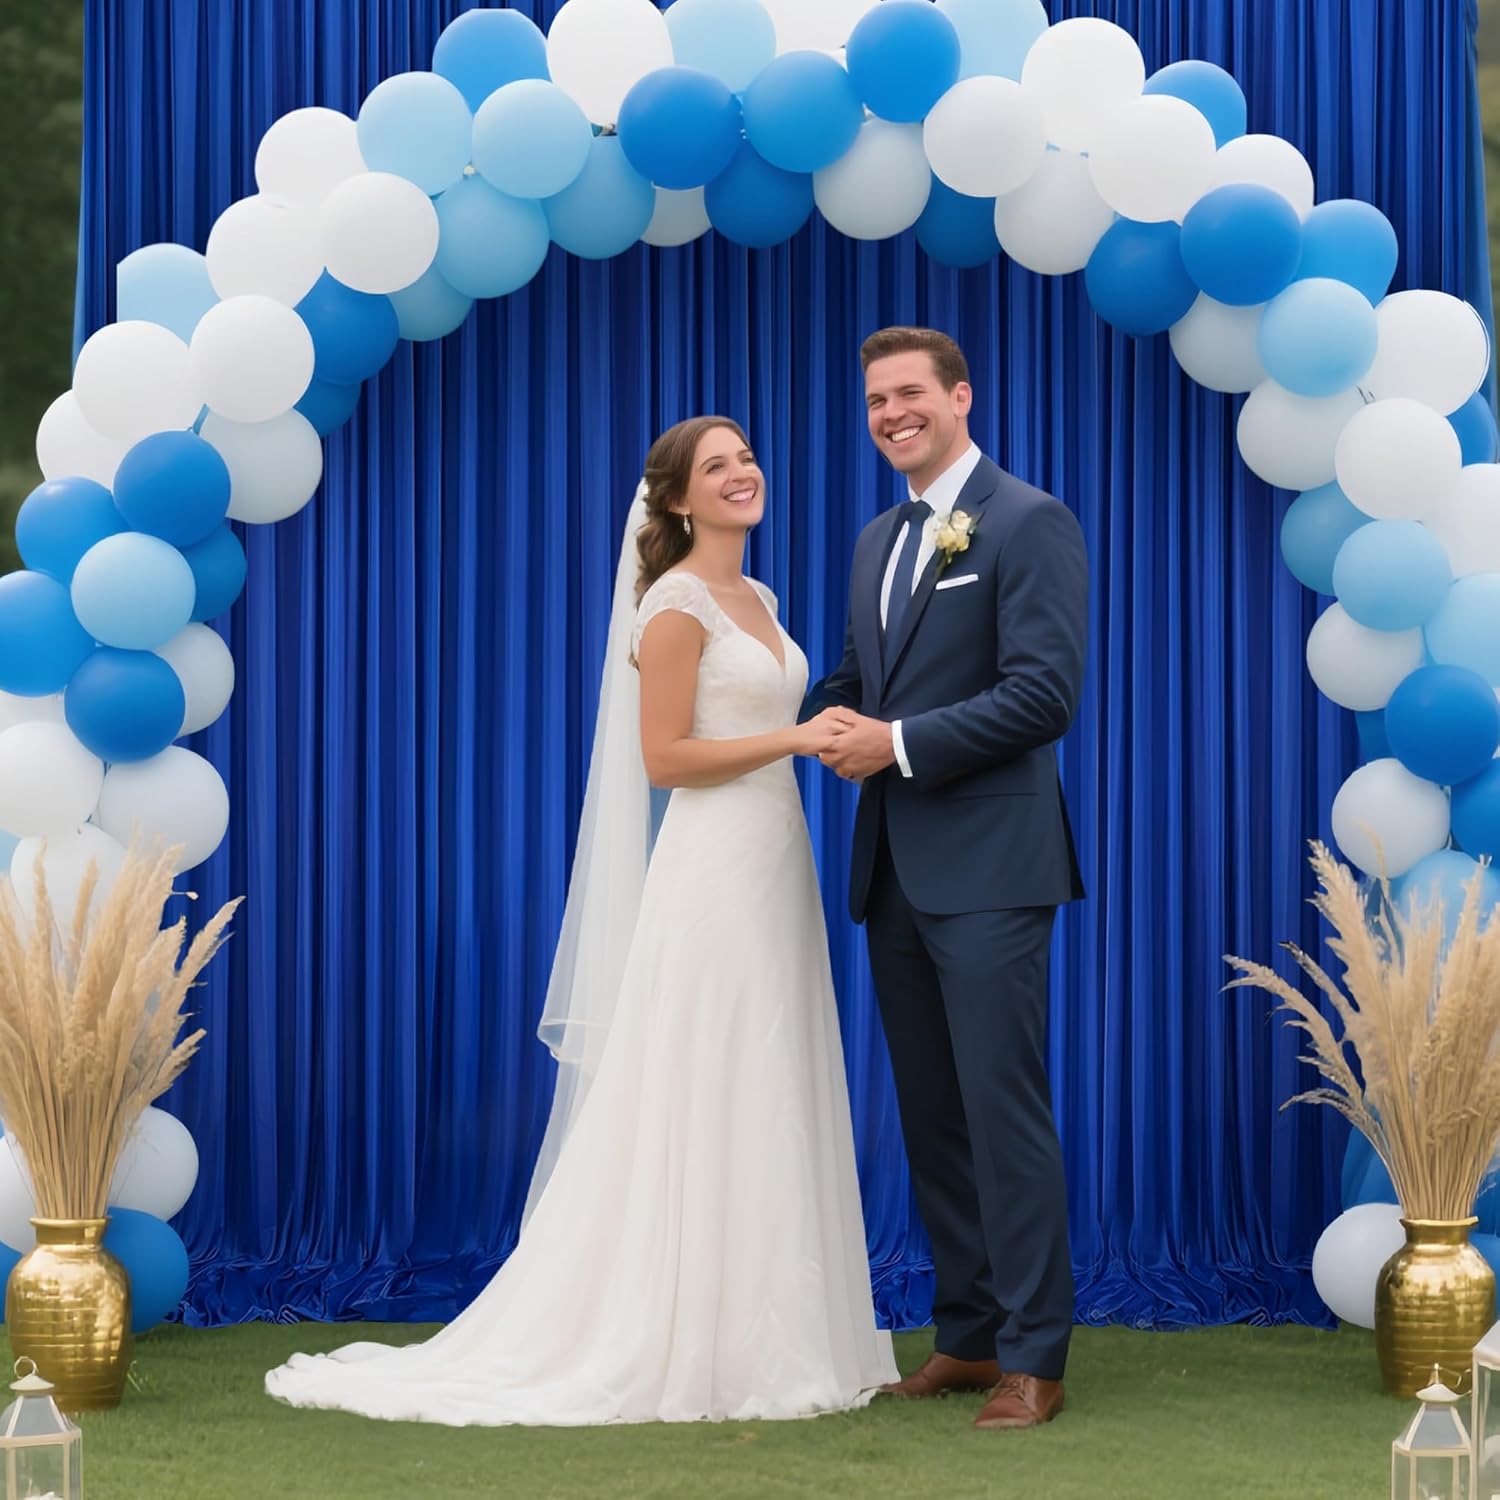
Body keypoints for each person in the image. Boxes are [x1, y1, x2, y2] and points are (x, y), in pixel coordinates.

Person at [264, 416, 897, 1425]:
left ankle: (771, 1329)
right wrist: (794, 737)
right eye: (716, 466)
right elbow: (665, 758)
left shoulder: (763, 599)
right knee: (710, 1066)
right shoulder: (676, 603)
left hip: (776, 860)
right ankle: (684, 1330)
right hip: (712, 865)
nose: (742, 473)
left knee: (769, 1065)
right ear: (679, 499)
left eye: (745, 457)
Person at [806, 326, 1088, 1430]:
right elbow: (856, 677)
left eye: (910, 393)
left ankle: (1035, 1358)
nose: (892, 414)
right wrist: (799, 716)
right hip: (893, 872)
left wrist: (895, 744)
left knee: (1001, 1113)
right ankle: (967, 1338)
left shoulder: (1029, 520)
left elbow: (1043, 695)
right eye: (877, 400)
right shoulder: (878, 537)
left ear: (961, 397)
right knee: (932, 1117)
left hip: (992, 869)